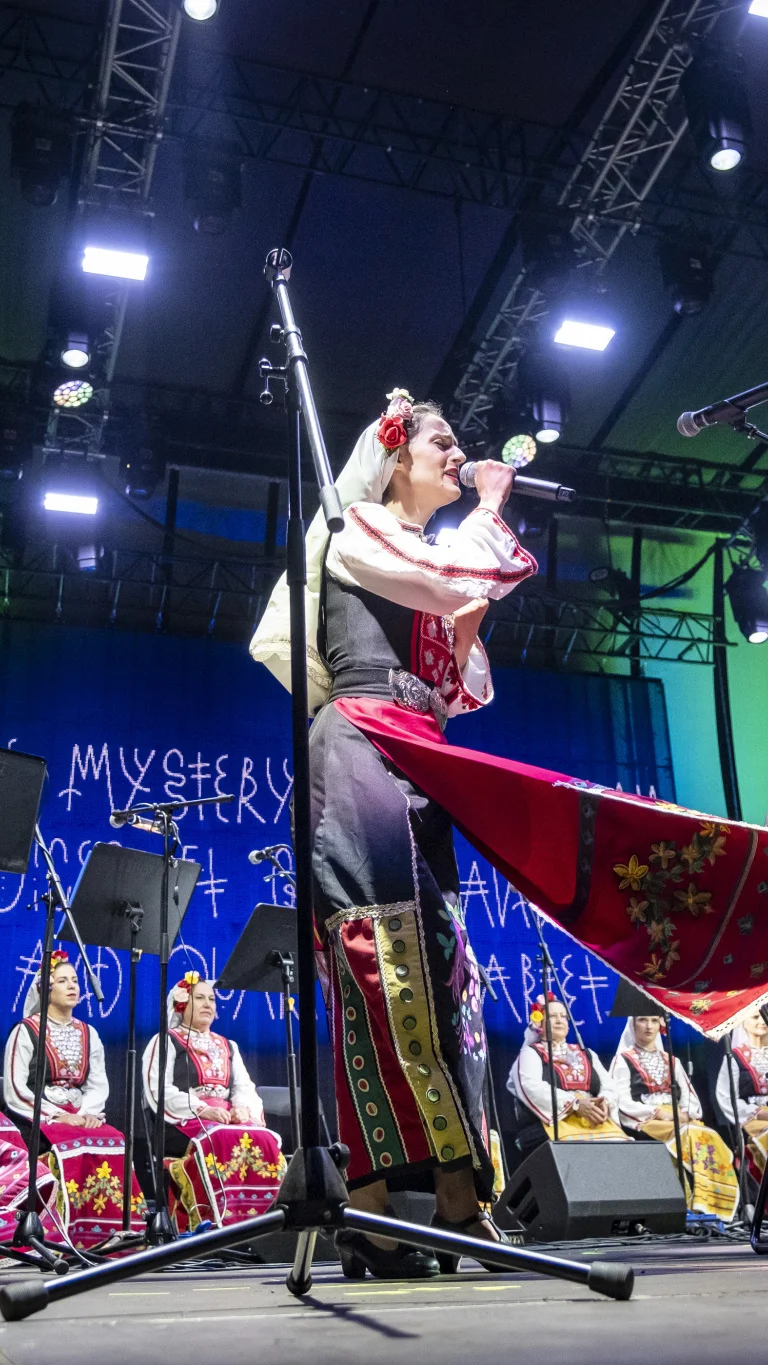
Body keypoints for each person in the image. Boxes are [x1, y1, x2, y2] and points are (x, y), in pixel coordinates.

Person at [252, 388, 537, 1278]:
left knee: (446, 968)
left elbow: (454, 679)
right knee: (379, 962)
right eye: (443, 443)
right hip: (363, 741)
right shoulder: (357, 529)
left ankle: (457, 1193)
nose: (458, 456)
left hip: (420, 752)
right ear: (394, 454)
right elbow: (457, 578)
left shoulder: (419, 553)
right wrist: (490, 506)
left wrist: (473, 567)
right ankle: (371, 1207)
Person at [4, 950, 147, 1249]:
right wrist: (57, 1116)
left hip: (78, 1112)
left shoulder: (89, 1033)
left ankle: (112, 1236)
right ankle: (62, 1234)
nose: (72, 986)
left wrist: (87, 1113)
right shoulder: (26, 1031)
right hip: (37, 1115)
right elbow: (16, 1089)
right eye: (62, 980)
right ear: (46, 988)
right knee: (70, 1143)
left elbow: (97, 1083)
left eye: (75, 980)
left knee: (116, 1140)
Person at [142, 972, 286, 1232]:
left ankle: (264, 1223)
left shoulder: (227, 1045)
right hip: (184, 1121)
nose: (208, 1004)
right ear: (181, 1004)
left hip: (226, 1119)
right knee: (218, 1138)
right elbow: (158, 1091)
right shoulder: (165, 1041)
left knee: (264, 1138)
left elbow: (244, 1086)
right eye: (200, 998)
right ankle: (218, 1223)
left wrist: (243, 1109)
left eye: (211, 999)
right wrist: (203, 1109)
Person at [610, 1014, 738, 1221]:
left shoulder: (672, 1061)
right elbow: (620, 1101)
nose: (649, 1026)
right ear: (633, 1025)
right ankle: (689, 1204)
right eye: (642, 1020)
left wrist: (687, 1112)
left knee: (708, 1134)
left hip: (676, 1117)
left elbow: (689, 1096)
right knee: (687, 1135)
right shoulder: (623, 1060)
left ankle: (710, 1202)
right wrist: (657, 1112)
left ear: (661, 1025)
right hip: (648, 1120)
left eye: (654, 1021)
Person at [508, 996, 629, 1144]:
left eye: (563, 1016)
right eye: (552, 1016)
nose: (559, 1020)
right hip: (556, 1123)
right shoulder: (531, 1053)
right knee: (576, 1149)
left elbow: (609, 1085)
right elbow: (530, 1086)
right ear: (539, 1022)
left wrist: (605, 1102)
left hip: (591, 1120)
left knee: (621, 1148)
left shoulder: (587, 1053)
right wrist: (575, 1104)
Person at [716, 1008, 768, 1183]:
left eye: (764, 1016)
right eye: (755, 1017)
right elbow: (726, 1097)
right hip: (752, 1120)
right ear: (743, 1022)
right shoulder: (735, 1057)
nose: (761, 1021)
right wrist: (757, 1112)